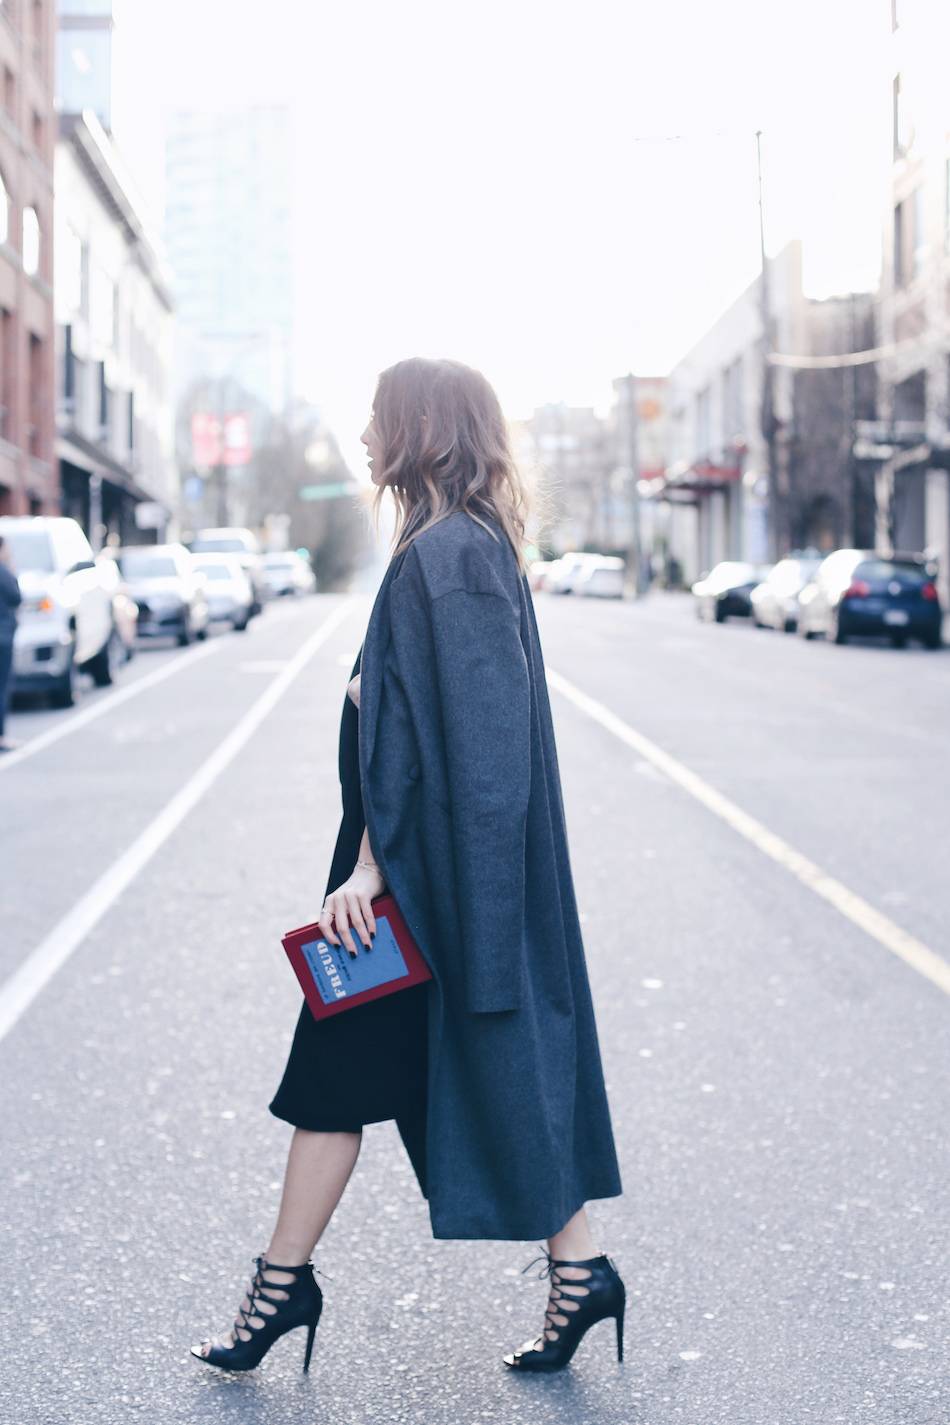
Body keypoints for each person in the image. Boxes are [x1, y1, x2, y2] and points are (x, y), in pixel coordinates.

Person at [190, 357, 625, 1375]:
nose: (363, 436)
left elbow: (481, 761)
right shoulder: (444, 551)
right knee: (368, 1082)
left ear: (422, 430)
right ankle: (574, 1272)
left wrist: (378, 872)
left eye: (378, 418)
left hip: (420, 901)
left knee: (370, 1079)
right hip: (413, 893)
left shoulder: (453, 558)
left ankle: (282, 1291)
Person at [0, 535, 22, 753]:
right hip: (3, 638)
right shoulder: (3, 572)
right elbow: (16, 597)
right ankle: (1, 736)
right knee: (1, 686)